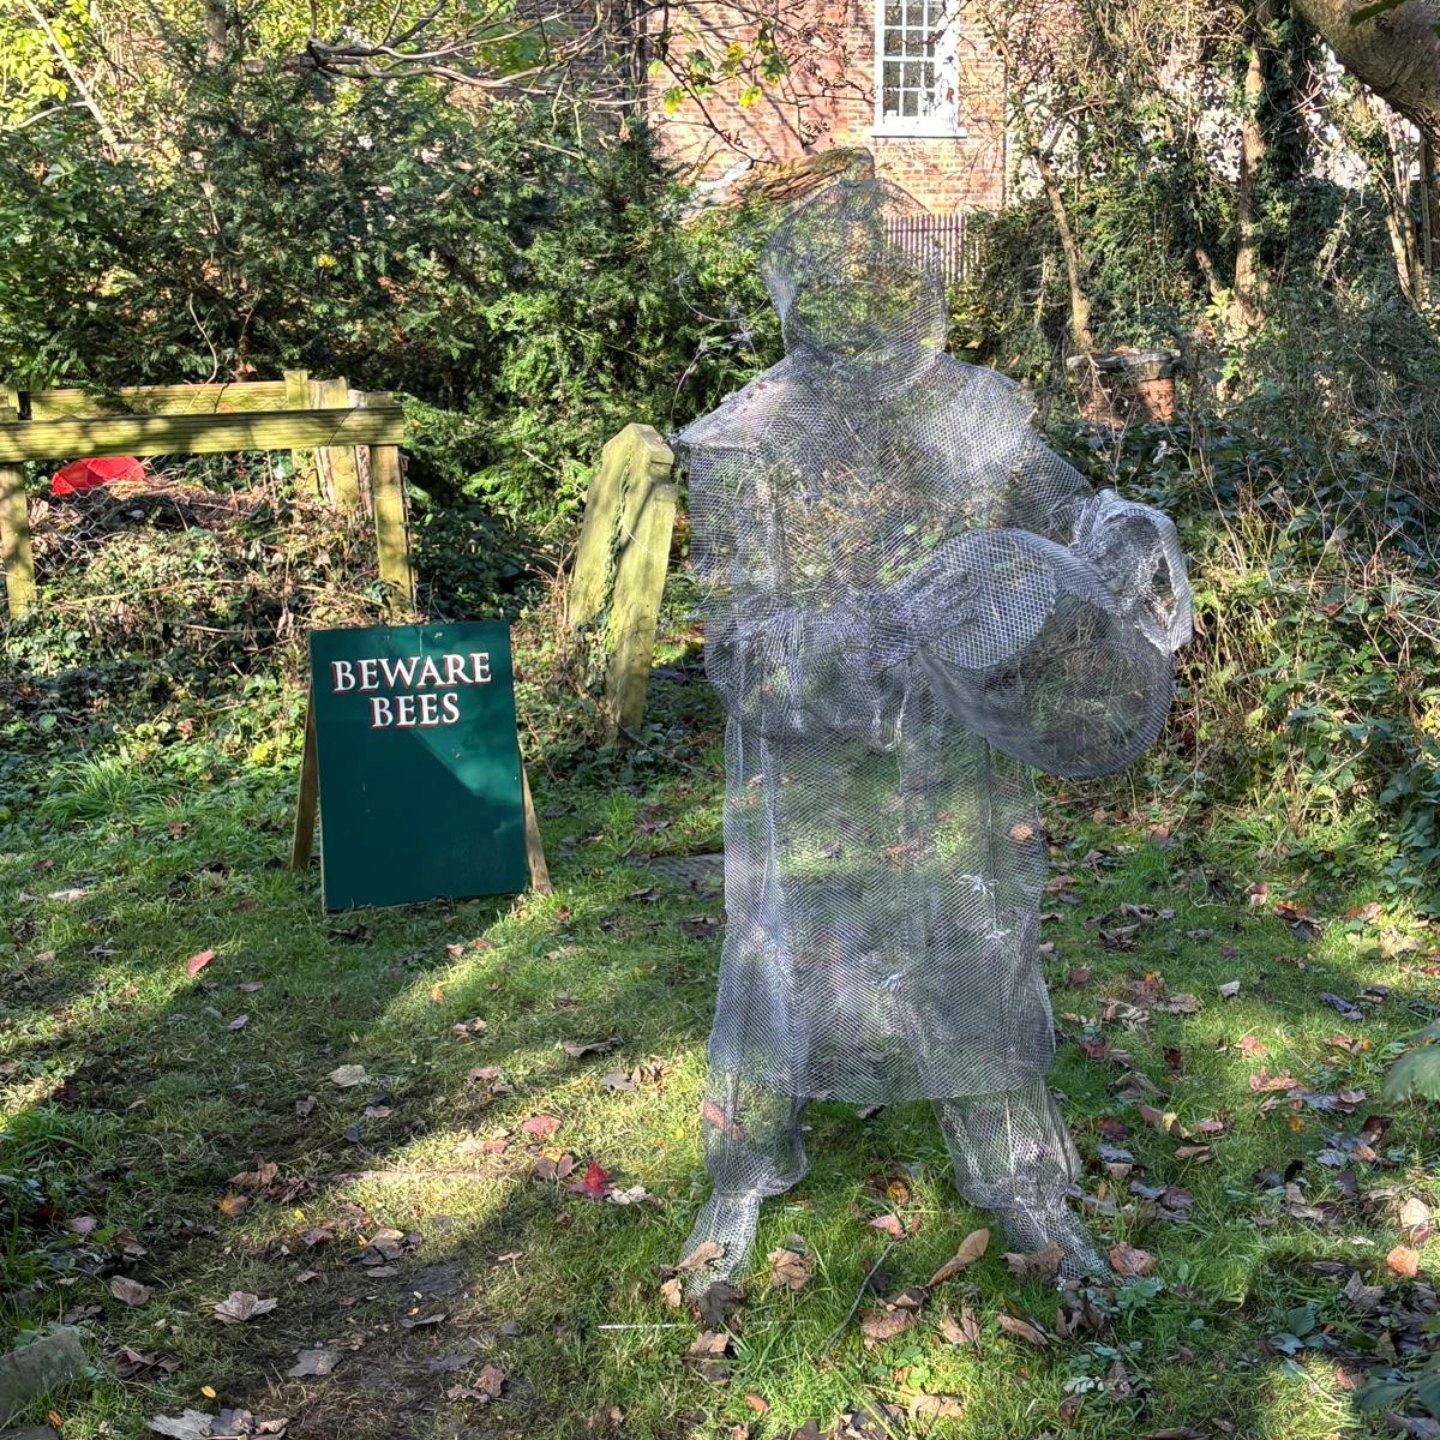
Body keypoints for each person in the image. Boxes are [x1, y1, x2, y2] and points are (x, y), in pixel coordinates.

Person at [676, 177, 1191, 1287]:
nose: (874, 291)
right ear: (799, 287)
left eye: (893, 268)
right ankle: (743, 1165)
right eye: (849, 271)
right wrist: (883, 643)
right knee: (783, 963)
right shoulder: (746, 441)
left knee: (979, 954)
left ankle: (1025, 1188)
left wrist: (1119, 543)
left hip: (962, 767)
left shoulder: (969, 411)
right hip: (816, 777)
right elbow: (740, 648)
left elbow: (1066, 518)